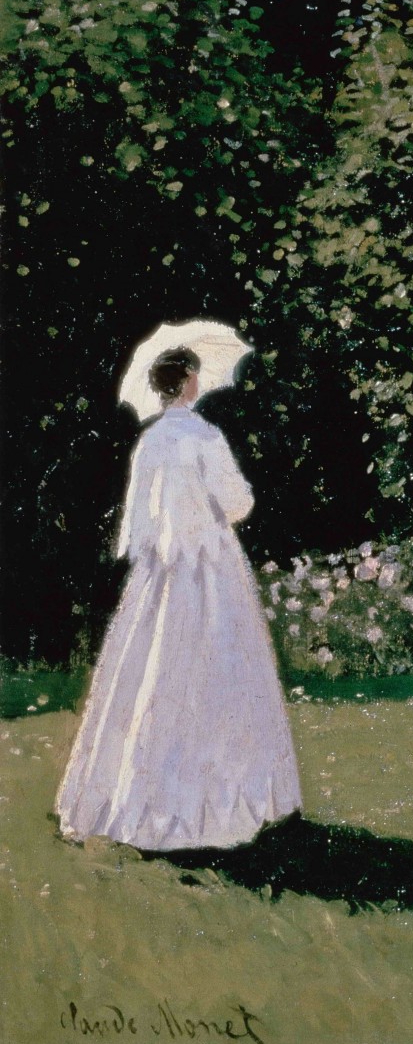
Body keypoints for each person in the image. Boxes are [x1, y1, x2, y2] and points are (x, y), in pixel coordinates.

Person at [55, 346, 302, 850]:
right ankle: (220, 809)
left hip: (160, 572)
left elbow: (138, 516)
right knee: (218, 669)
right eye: (194, 375)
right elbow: (237, 503)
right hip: (209, 567)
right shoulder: (205, 437)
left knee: (149, 672)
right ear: (188, 381)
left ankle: (135, 802)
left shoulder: (149, 442)